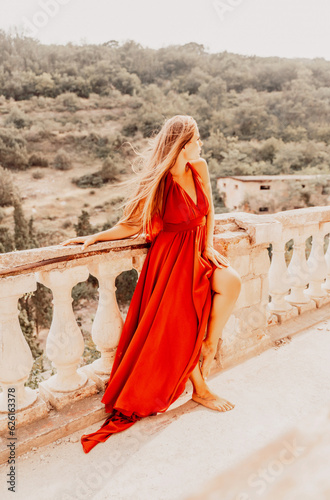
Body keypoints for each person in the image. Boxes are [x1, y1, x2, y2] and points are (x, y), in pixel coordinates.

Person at [60, 115, 242, 453]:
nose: (201, 144)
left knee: (231, 280)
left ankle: (210, 345)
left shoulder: (199, 166)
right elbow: (130, 226)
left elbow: (209, 212)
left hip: (195, 252)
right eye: (197, 139)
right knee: (180, 325)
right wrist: (94, 237)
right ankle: (200, 388)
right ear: (183, 142)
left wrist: (207, 246)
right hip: (169, 260)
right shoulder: (159, 182)